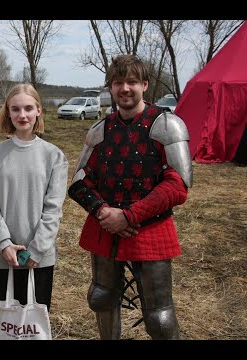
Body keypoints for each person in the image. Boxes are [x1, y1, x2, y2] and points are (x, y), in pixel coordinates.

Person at [68, 54, 193, 340]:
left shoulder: (167, 125)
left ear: (145, 85)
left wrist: (129, 215)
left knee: (159, 317)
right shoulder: (100, 130)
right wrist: (103, 212)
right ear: (110, 88)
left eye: (132, 82)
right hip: (105, 226)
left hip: (148, 227)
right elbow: (79, 181)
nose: (125, 88)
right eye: (118, 82)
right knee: (100, 297)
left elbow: (178, 184)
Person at [0, 83, 69, 312]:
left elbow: (53, 209)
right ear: (8, 112)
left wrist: (37, 249)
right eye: (16, 109)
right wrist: (3, 244)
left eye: (29, 108)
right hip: (4, 256)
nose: (22, 115)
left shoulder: (54, 156)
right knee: (9, 324)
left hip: (39, 257)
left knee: (35, 326)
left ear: (38, 110)